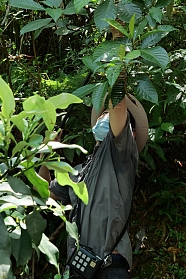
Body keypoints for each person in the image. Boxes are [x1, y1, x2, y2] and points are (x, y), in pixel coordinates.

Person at [39, 32, 149, 279]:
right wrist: (47, 156)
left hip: (111, 268)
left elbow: (118, 104)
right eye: (102, 115)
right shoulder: (78, 172)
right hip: (78, 270)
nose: (104, 117)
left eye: (108, 116)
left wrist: (118, 42)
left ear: (129, 132)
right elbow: (43, 194)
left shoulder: (121, 155)